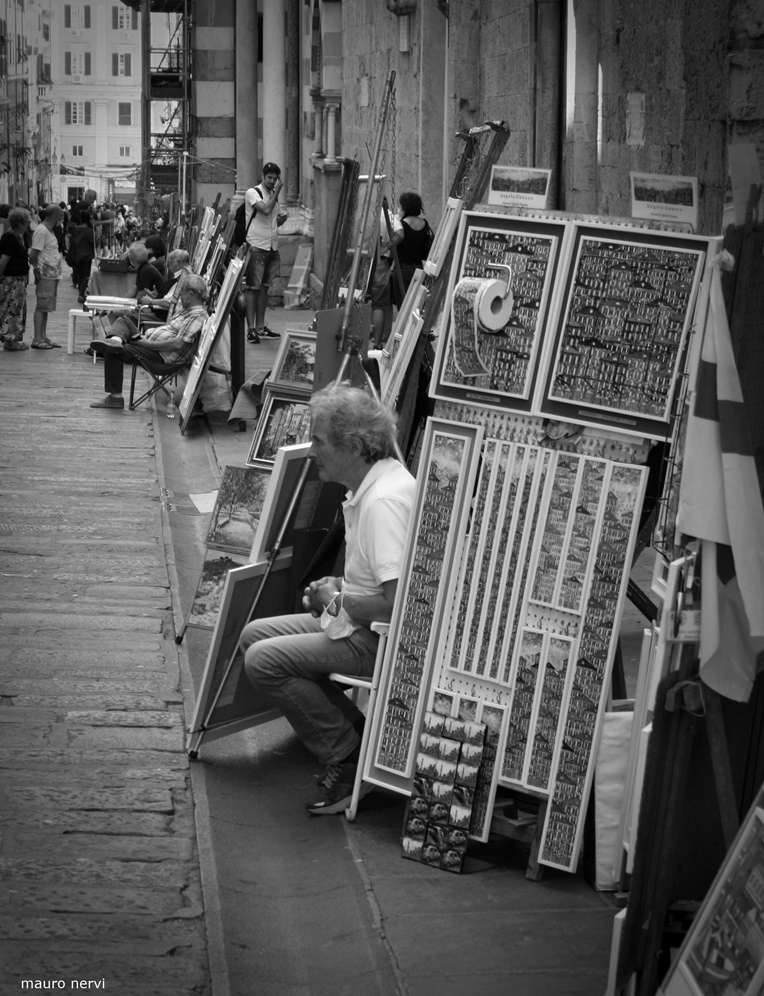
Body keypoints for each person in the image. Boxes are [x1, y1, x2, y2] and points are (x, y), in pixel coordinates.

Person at [239, 383, 416, 815]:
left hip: (379, 640)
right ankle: (352, 733)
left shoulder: (383, 503)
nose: (311, 449)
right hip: (360, 625)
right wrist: (338, 589)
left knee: (263, 661)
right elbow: (381, 579)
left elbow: (400, 604)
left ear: (352, 446)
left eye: (318, 440)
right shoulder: (376, 485)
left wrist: (339, 599)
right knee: (253, 635)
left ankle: (346, 753)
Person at [89, 273, 209, 410]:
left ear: (191, 294)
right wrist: (145, 339)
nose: (180, 297)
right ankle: (115, 340)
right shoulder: (187, 311)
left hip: (161, 357)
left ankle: (115, 397)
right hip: (152, 346)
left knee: (113, 350)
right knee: (124, 320)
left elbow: (178, 343)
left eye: (182, 292)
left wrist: (148, 344)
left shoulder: (197, 316)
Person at [243, 161, 288, 344]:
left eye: (275, 178)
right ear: (263, 176)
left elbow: (272, 219)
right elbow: (266, 209)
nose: (272, 181)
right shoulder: (253, 193)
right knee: (252, 289)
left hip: (271, 247)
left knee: (264, 288)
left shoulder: (271, 195)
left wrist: (281, 221)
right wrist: (278, 191)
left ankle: (261, 326)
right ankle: (251, 329)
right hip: (256, 246)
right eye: (269, 178)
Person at [386, 191, 434, 306]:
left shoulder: (401, 225)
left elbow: (394, 246)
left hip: (402, 269)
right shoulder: (424, 223)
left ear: (405, 207)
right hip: (418, 267)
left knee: (403, 306)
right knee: (416, 305)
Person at [28, 203, 64, 350]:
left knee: (46, 307)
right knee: (41, 306)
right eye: (60, 216)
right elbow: (33, 255)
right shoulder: (41, 231)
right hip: (45, 274)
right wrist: (37, 270)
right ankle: (37, 338)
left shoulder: (50, 231)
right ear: (55, 216)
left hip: (52, 274)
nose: (62, 219)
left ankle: (43, 336)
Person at [0, 207, 31, 351]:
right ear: (20, 223)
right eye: (27, 222)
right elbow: (3, 260)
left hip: (18, 280)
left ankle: (12, 339)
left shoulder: (18, 236)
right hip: (11, 281)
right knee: (10, 310)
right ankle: (10, 340)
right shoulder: (10, 237)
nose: (28, 224)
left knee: (15, 310)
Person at [69, 211, 95, 303]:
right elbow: (93, 243)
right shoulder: (90, 231)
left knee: (79, 275)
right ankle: (81, 294)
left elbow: (72, 242)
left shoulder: (75, 230)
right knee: (86, 275)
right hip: (87, 256)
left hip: (77, 255)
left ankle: (81, 293)